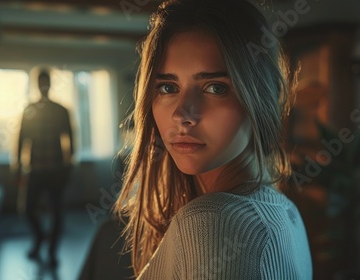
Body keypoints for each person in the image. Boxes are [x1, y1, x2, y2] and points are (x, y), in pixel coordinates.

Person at [113, 0, 312, 279]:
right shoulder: (285, 210)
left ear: (261, 97)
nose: (183, 114)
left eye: (215, 87)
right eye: (168, 87)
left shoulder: (212, 222)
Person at [17, 69, 74, 268]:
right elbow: (22, 138)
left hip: (56, 169)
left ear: (49, 84)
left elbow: (70, 138)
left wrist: (69, 166)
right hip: (35, 169)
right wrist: (17, 166)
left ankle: (51, 251)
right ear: (37, 84)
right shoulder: (30, 110)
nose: (43, 86)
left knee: (57, 211)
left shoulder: (60, 110)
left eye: (45, 82)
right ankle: (40, 238)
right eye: (40, 82)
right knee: (28, 209)